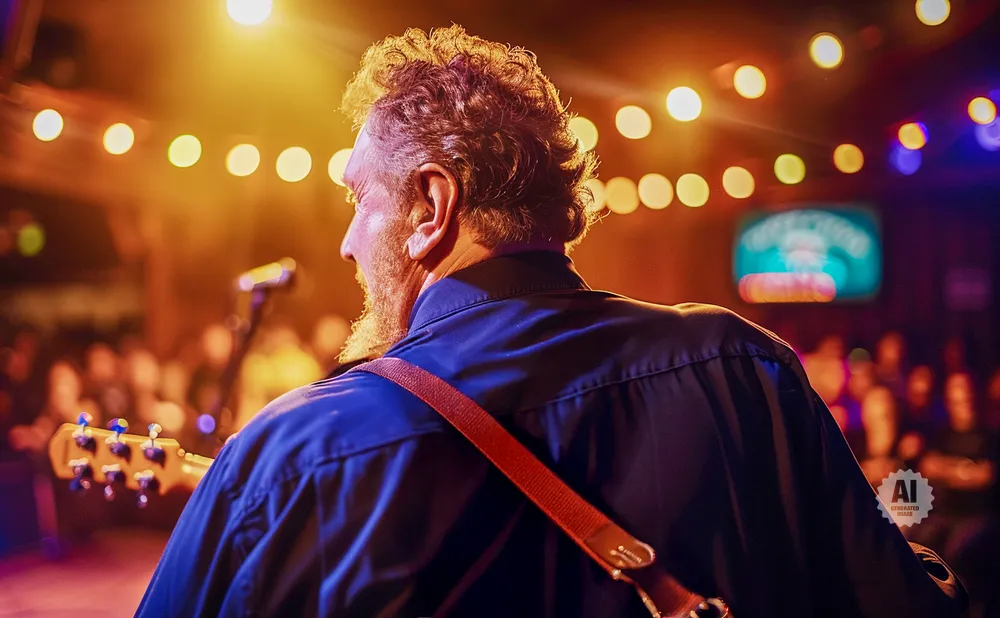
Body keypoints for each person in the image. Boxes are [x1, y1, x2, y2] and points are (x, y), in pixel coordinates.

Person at [138, 26, 966, 617]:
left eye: (359, 198)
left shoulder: (293, 459)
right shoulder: (744, 367)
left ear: (431, 205)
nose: (350, 244)